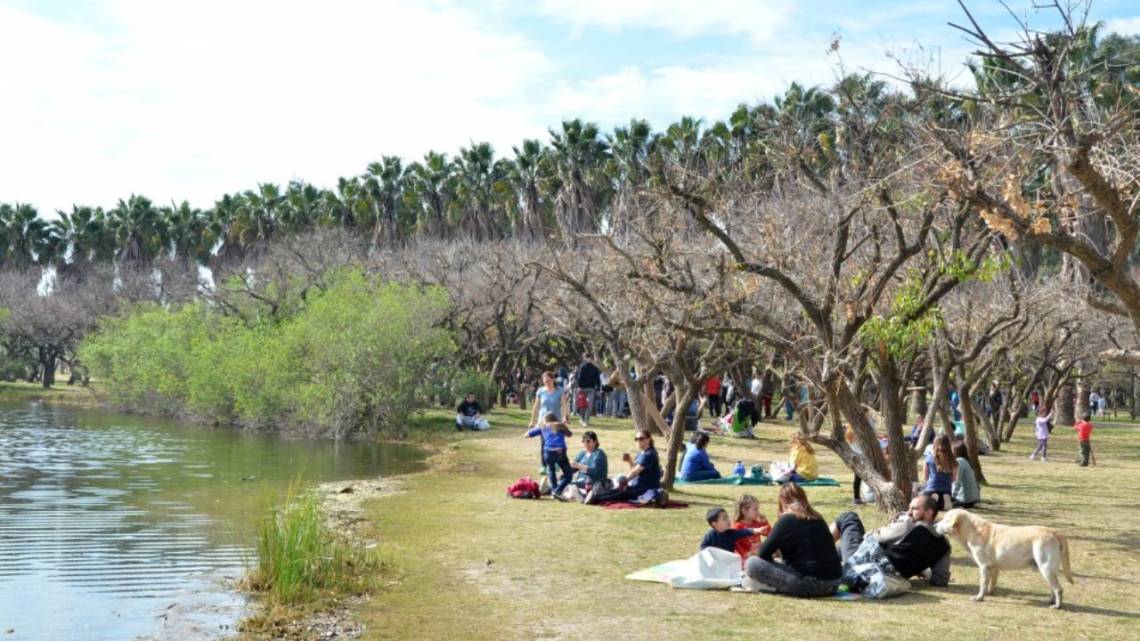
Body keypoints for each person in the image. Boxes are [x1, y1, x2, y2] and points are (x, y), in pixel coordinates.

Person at [831, 495, 951, 596]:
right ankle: (822, 554)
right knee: (842, 548)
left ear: (928, 513)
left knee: (848, 517)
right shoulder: (945, 547)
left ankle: (820, 549)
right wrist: (919, 567)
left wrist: (872, 532)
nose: (908, 512)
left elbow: (874, 538)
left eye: (914, 509)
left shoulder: (910, 523)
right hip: (877, 582)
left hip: (858, 570)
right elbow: (940, 580)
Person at [743, 483, 842, 597]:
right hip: (834, 583)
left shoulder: (787, 519)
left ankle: (768, 586)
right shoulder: (818, 518)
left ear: (783, 504)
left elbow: (763, 553)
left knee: (752, 563)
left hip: (811, 584)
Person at [584, 430, 665, 506]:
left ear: (648, 440)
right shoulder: (641, 453)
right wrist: (629, 461)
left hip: (644, 487)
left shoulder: (649, 454)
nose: (638, 441)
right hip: (637, 485)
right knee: (619, 489)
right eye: (636, 439)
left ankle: (595, 498)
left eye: (641, 439)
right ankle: (594, 496)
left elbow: (635, 472)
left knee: (621, 492)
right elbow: (635, 469)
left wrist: (624, 481)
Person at [524, 413, 574, 501]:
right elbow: (570, 435)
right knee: (568, 474)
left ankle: (554, 490)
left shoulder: (543, 426)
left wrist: (534, 427)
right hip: (560, 452)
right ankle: (557, 491)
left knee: (551, 471)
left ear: (546, 420)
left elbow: (527, 435)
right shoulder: (560, 425)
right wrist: (564, 426)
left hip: (548, 451)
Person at [529, 371, 566, 469]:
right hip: (543, 421)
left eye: (548, 381)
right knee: (544, 443)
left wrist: (565, 416)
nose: (547, 383)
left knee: (557, 443)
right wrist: (532, 420)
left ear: (553, 379)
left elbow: (564, 404)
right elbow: (536, 406)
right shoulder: (541, 391)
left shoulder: (560, 391)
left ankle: (557, 463)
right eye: (545, 382)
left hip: (555, 421)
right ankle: (544, 465)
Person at [701, 507, 765, 553]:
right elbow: (703, 546)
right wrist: (711, 553)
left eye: (728, 517)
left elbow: (743, 532)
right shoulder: (710, 535)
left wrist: (756, 530)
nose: (728, 520)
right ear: (715, 524)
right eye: (724, 519)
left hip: (729, 561)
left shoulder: (731, 533)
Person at [567, 430, 608, 500]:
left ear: (595, 442)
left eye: (588, 441)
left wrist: (578, 465)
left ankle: (578, 494)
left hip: (594, 482)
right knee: (564, 482)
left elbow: (594, 471)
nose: (585, 443)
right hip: (582, 481)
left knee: (571, 485)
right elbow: (573, 469)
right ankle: (574, 493)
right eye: (583, 441)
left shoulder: (599, 454)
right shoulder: (582, 454)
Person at [922, 434, 957, 513]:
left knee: (923, 501)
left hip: (931, 488)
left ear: (934, 445)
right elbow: (954, 479)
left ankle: (934, 499)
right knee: (944, 498)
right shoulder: (953, 461)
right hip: (947, 490)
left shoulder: (928, 458)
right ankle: (944, 499)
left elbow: (925, 478)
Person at [732, 494, 771, 561]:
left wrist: (765, 522)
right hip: (745, 561)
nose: (758, 512)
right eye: (755, 509)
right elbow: (739, 548)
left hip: (758, 557)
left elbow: (771, 534)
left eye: (758, 509)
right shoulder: (737, 527)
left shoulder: (756, 523)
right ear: (744, 511)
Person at [574, 354, 602, 426]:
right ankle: (584, 419)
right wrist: (578, 386)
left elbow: (597, 379)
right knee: (586, 405)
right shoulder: (586, 367)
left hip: (587, 388)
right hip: (586, 388)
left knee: (586, 404)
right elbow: (578, 377)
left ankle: (585, 420)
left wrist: (598, 389)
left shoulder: (589, 367)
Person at [951, 441, 980, 508]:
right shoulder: (967, 461)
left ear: (956, 451)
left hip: (964, 500)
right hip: (972, 499)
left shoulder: (959, 462)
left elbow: (957, 482)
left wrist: (952, 497)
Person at [846, 425, 864, 505]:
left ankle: (857, 497)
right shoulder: (858, 432)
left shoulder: (848, 432)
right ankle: (857, 498)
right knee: (858, 478)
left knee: (857, 478)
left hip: (855, 457)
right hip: (861, 457)